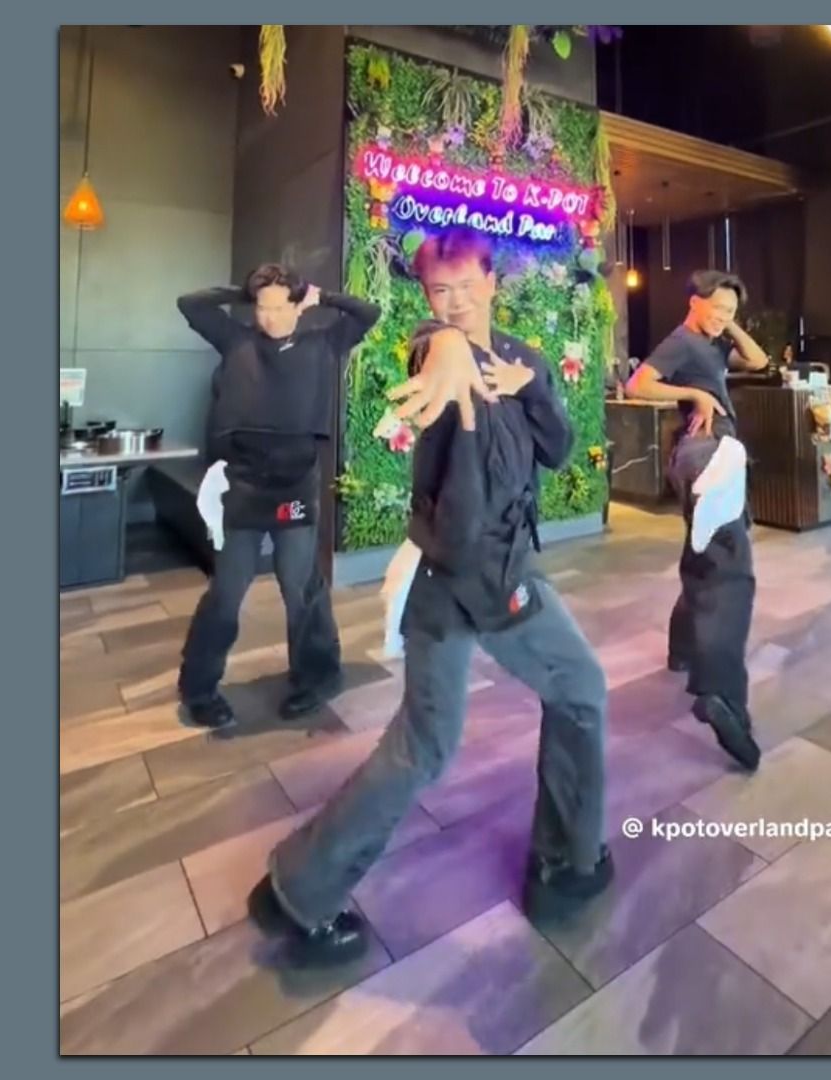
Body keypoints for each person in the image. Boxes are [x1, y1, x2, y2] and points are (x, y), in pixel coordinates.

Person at [248, 231, 612, 967]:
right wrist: (446, 348)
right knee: (578, 690)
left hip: (475, 573)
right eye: (438, 290)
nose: (455, 301)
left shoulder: (524, 357)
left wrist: (533, 387)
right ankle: (567, 865)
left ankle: (297, 887)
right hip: (481, 578)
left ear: (491, 281)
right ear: (426, 298)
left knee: (426, 744)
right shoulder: (433, 347)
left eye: (466, 284)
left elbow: (560, 450)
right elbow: (431, 349)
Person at [173, 265, 382, 729]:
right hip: (243, 486)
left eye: (277, 306)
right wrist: (244, 292)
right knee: (227, 591)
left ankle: (317, 678)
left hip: (295, 486)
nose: (268, 316)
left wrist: (320, 295)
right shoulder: (236, 340)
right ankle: (199, 689)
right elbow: (190, 303)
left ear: (296, 305)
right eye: (261, 307)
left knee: (301, 587)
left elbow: (369, 312)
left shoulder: (322, 344)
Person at [626, 271, 768, 771]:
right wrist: (695, 397)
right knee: (730, 562)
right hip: (703, 448)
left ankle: (682, 648)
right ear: (694, 303)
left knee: (707, 553)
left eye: (730, 311)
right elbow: (638, 384)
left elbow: (759, 360)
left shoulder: (709, 346)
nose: (723, 318)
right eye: (717, 309)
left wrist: (730, 327)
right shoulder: (682, 341)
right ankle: (722, 693)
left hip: (718, 451)